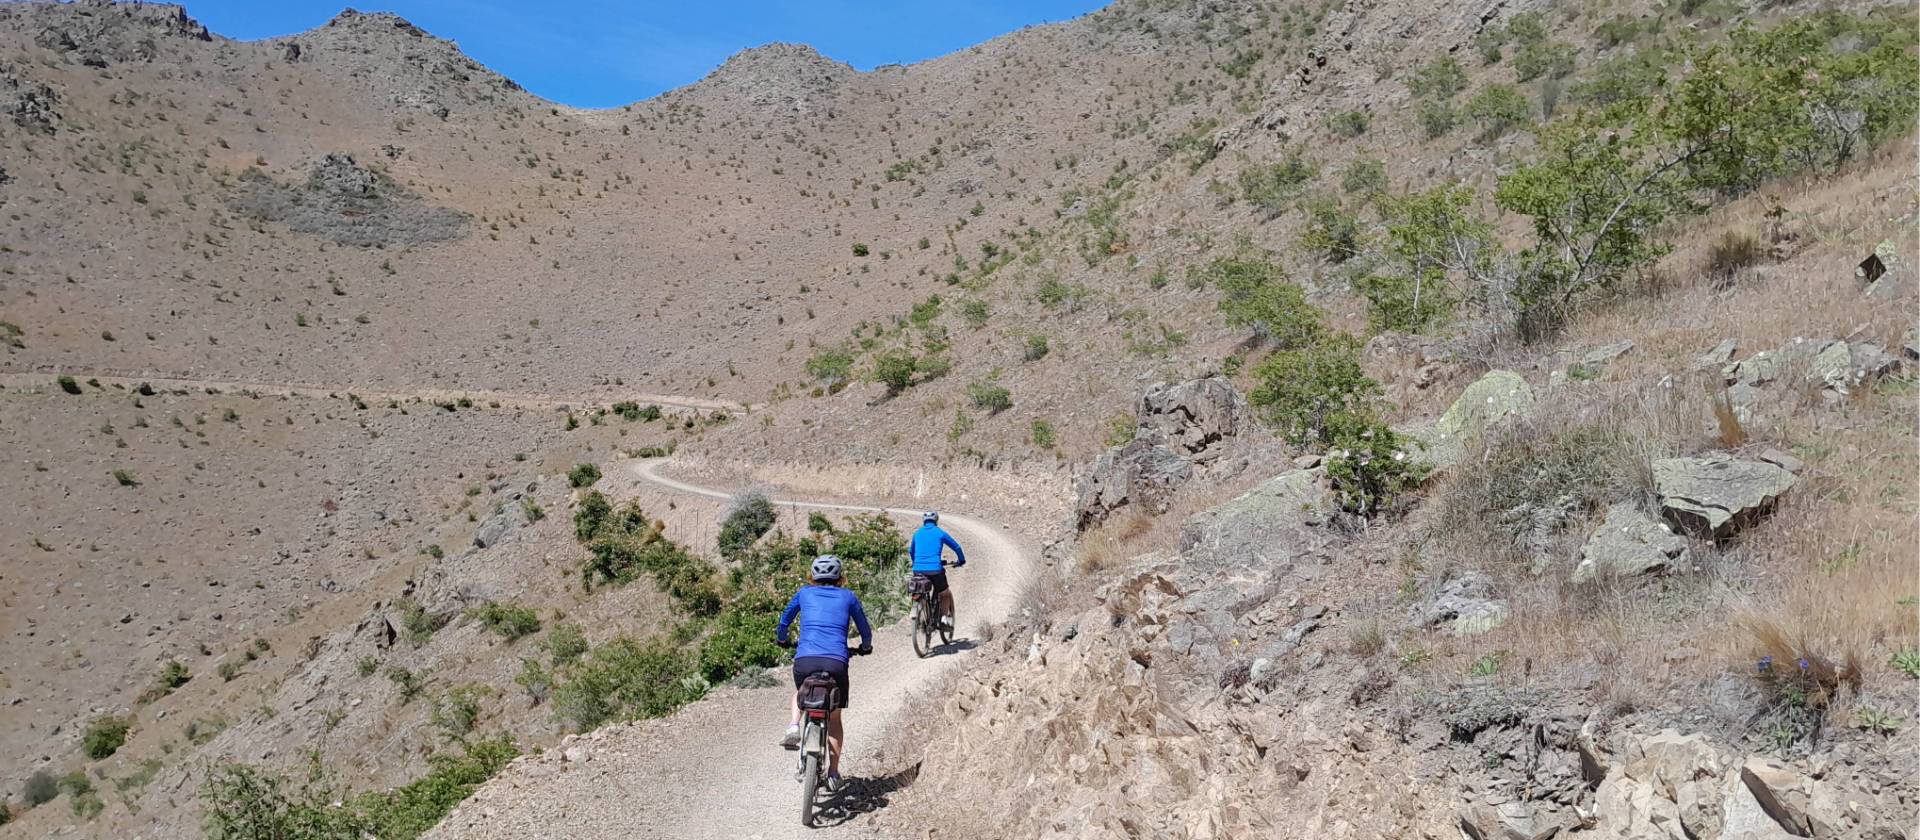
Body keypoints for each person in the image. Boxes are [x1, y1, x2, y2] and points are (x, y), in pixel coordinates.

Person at [776, 554, 872, 790]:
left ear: (813, 576)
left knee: (801, 691)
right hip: (836, 663)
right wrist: (865, 647)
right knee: (835, 717)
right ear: (840, 577)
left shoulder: (804, 593)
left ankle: (794, 726)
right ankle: (833, 772)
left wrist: (782, 639)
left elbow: (784, 621)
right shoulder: (848, 597)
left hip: (805, 660)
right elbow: (865, 629)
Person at [910, 511, 965, 631]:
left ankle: (923, 611)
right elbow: (957, 547)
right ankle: (944, 618)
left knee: (922, 590)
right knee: (944, 593)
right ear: (936, 521)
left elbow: (911, 551)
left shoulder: (917, 534)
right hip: (935, 570)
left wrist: (916, 563)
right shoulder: (940, 533)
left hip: (918, 570)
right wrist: (961, 560)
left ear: (924, 521)